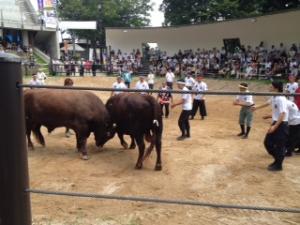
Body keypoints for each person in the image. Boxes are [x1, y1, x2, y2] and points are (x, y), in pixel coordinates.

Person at [252, 81, 289, 171]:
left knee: (279, 146)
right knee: (267, 143)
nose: (269, 87)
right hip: (276, 123)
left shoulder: (281, 98)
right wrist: (256, 108)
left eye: (271, 86)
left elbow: (283, 113)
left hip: (281, 124)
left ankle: (278, 165)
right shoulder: (274, 96)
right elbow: (267, 103)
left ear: (276, 88)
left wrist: (275, 126)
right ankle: (277, 160)